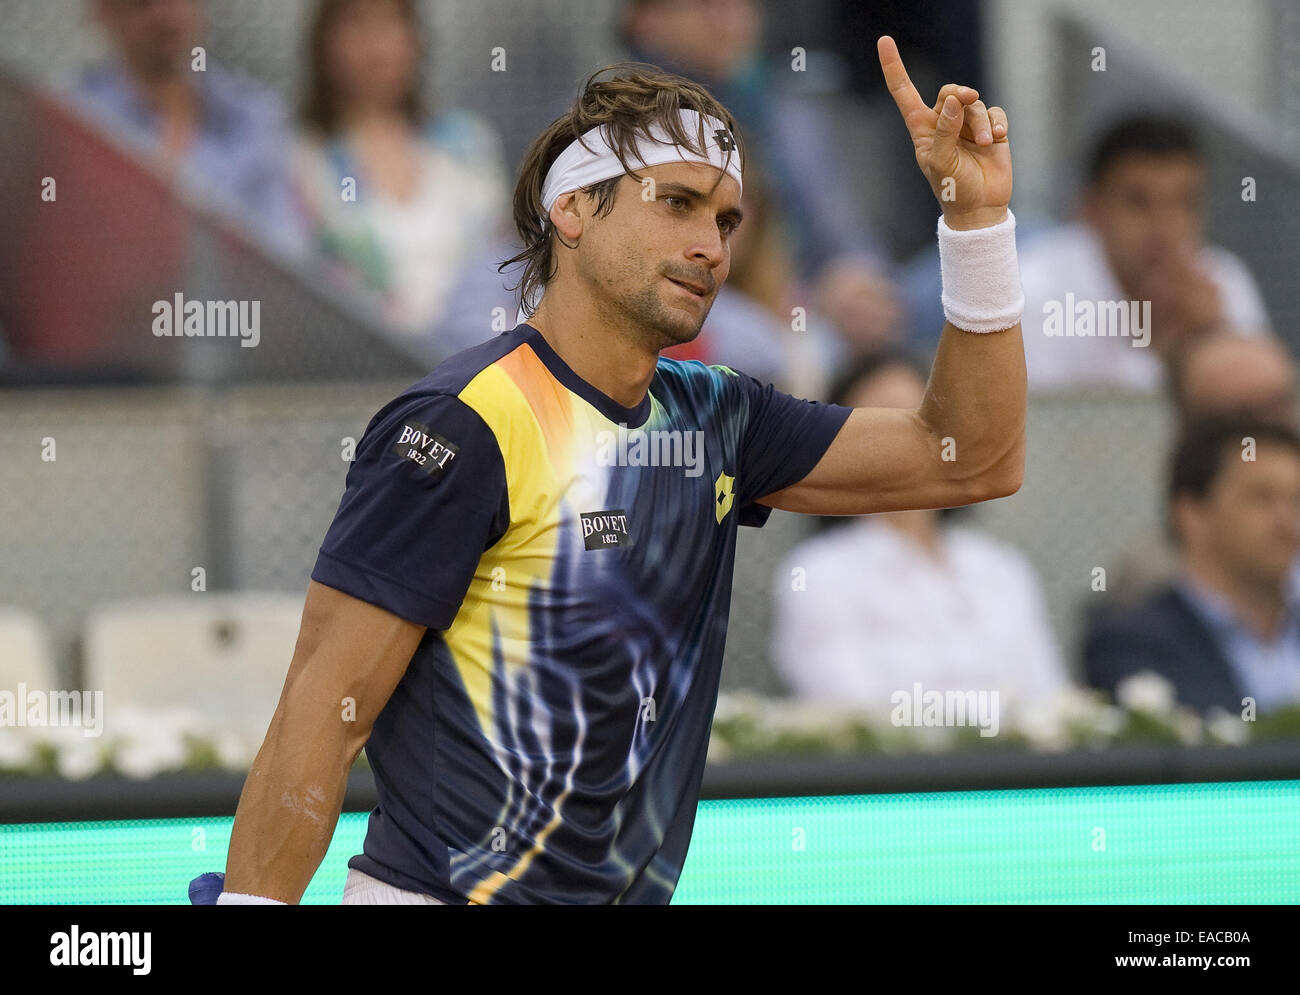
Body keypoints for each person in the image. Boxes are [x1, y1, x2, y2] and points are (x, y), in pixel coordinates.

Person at [199, 39, 1025, 905]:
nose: (710, 245)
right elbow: (323, 710)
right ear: (574, 210)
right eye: (677, 204)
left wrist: (976, 225)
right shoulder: (462, 421)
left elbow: (972, 455)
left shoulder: (720, 416)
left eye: (727, 220)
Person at [772, 351, 1068, 721]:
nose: (907, 439)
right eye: (884, 419)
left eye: (924, 418)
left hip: (1025, 773)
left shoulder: (1002, 566)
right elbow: (850, 712)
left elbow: (1050, 697)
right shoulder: (817, 574)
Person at [621, 0, 904, 355]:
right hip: (701, 318)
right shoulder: (608, 125)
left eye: (744, 4)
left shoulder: (788, 111)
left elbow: (846, 237)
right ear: (646, 20)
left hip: (808, 310)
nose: (730, 18)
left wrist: (854, 282)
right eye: (707, 6)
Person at [293, 0, 510, 344]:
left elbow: (502, 265)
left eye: (393, 24)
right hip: (361, 372)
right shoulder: (301, 157)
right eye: (357, 24)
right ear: (323, 44)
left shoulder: (468, 144)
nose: (378, 45)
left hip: (477, 372)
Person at [1017, 114, 1271, 390]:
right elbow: (1040, 418)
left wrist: (1208, 339)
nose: (1165, 227)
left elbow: (1257, 412)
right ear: (1090, 209)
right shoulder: (1030, 288)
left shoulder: (1225, 282)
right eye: (1138, 202)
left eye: (1184, 203)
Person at [1085, 418, 1300, 716]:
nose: (1288, 521)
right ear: (1190, 515)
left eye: (1297, 501)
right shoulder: (1132, 645)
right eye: (1261, 498)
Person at [70, 0, 306, 257]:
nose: (163, 16)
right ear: (103, 11)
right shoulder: (74, 119)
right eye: (141, 4)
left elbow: (284, 256)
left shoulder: (253, 120)